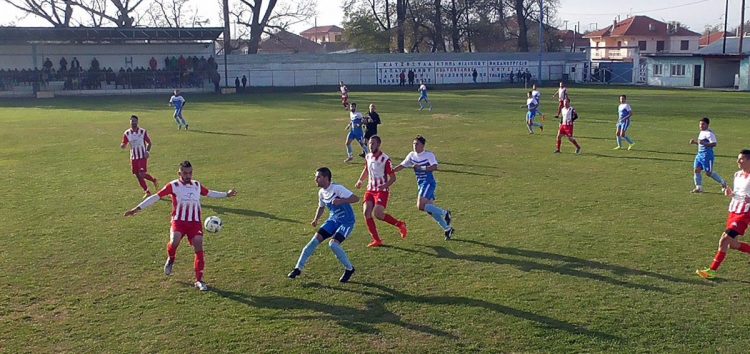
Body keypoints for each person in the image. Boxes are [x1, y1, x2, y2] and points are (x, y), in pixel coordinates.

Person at [124, 160, 237, 291]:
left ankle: (199, 281)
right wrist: (137, 209)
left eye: (190, 173)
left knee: (199, 245)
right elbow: (156, 197)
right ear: (179, 173)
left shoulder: (196, 185)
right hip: (179, 221)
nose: (188, 176)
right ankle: (171, 259)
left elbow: (210, 193)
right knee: (174, 240)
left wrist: (226, 194)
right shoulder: (174, 185)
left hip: (195, 223)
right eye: (185, 173)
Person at [288, 167, 358, 283]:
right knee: (313, 241)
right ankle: (298, 269)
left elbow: (356, 198)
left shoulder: (337, 189)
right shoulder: (321, 192)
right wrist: (316, 219)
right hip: (333, 220)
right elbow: (321, 207)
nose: (316, 179)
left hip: (347, 221)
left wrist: (341, 201)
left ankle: (349, 269)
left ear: (326, 178)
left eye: (318, 177)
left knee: (333, 245)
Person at [696, 150, 750, 279]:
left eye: (741, 159)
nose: (738, 161)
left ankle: (712, 270)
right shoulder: (737, 175)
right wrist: (729, 193)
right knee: (732, 244)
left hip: (745, 212)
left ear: (749, 160)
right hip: (733, 210)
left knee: (724, 239)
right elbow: (737, 192)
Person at [393, 135, 454, 240]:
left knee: (420, 206)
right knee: (431, 210)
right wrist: (390, 171)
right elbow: (402, 165)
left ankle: (445, 213)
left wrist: (420, 167)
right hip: (421, 184)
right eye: (413, 144)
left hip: (428, 183)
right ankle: (447, 229)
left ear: (423, 145)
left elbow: (434, 167)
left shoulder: (428, 155)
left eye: (417, 144)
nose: (414, 146)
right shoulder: (411, 155)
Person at [355, 136, 408, 247]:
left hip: (382, 191)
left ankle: (400, 224)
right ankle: (377, 240)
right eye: (369, 143)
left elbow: (393, 178)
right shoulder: (368, 156)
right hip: (370, 190)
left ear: (379, 144)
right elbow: (366, 169)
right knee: (366, 213)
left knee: (378, 214)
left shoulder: (385, 159)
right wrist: (360, 180)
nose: (370, 146)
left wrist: (384, 185)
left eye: (373, 143)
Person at [120, 115, 158, 197]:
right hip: (133, 157)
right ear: (130, 122)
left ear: (137, 122)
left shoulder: (142, 131)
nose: (133, 123)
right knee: (137, 175)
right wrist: (123, 145)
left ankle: (153, 180)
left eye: (135, 121)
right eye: (132, 121)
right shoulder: (127, 133)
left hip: (142, 156)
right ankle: (147, 191)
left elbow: (149, 143)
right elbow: (124, 143)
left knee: (142, 174)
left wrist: (147, 151)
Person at [689, 117, 727, 193]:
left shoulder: (709, 133)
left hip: (707, 155)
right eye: (700, 124)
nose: (701, 125)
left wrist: (704, 143)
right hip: (699, 155)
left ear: (707, 125)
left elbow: (714, 143)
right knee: (697, 170)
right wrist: (695, 143)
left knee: (708, 173)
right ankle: (699, 187)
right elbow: (701, 144)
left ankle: (723, 182)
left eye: (703, 124)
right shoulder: (702, 132)